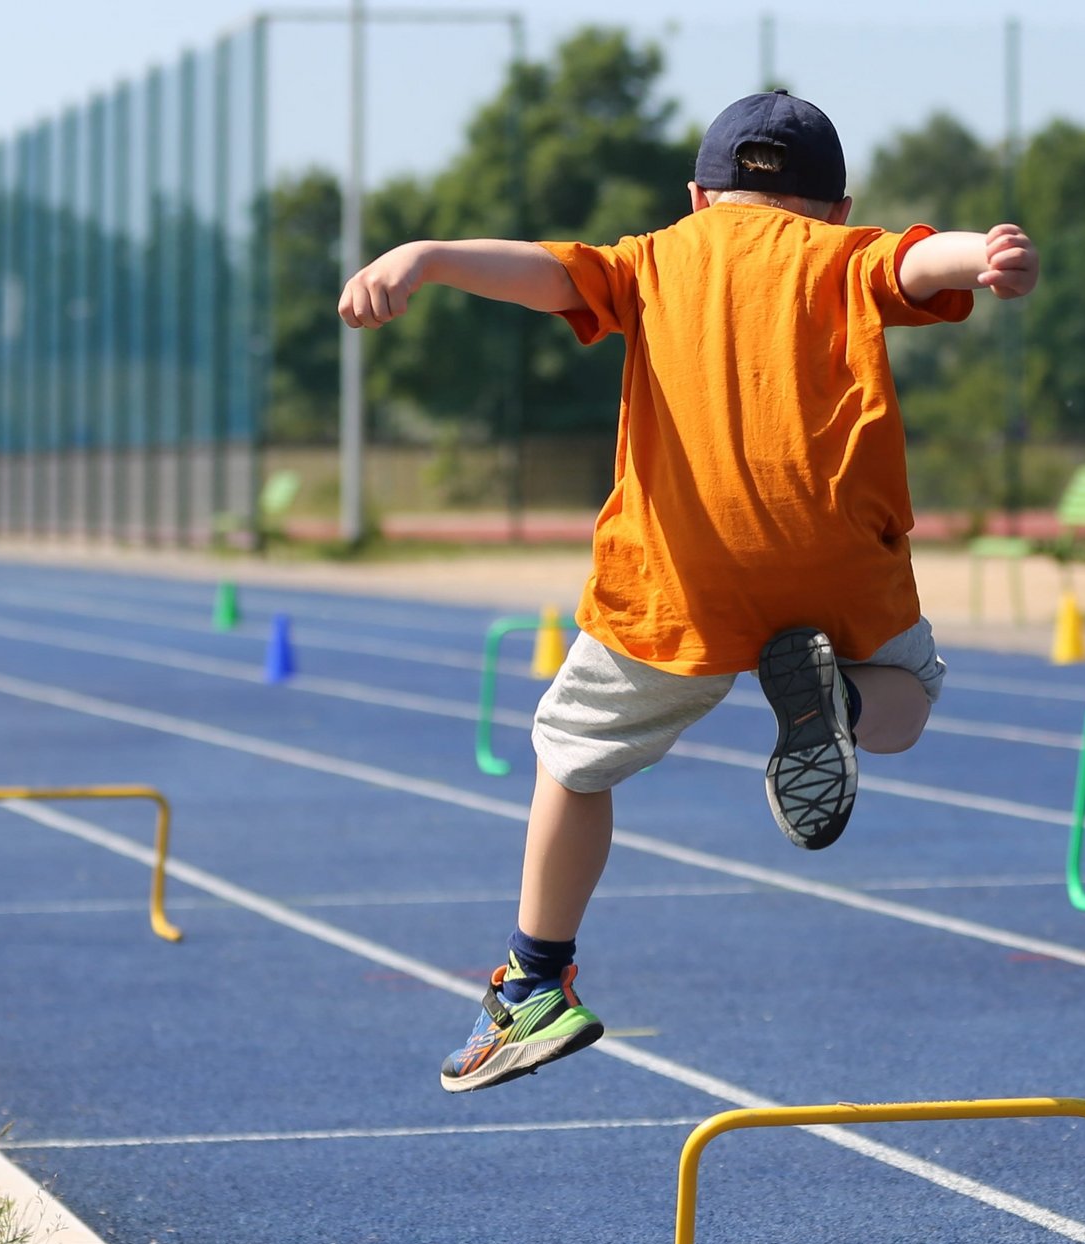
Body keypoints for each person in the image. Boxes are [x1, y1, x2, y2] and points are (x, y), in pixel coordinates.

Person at [338, 90, 1039, 1093]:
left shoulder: (651, 260)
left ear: (698, 198)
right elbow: (920, 262)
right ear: (837, 209)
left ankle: (535, 983)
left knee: (571, 758)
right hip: (835, 556)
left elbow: (543, 271)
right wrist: (987, 255)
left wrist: (428, 256)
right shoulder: (843, 254)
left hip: (682, 575)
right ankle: (839, 704)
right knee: (910, 694)